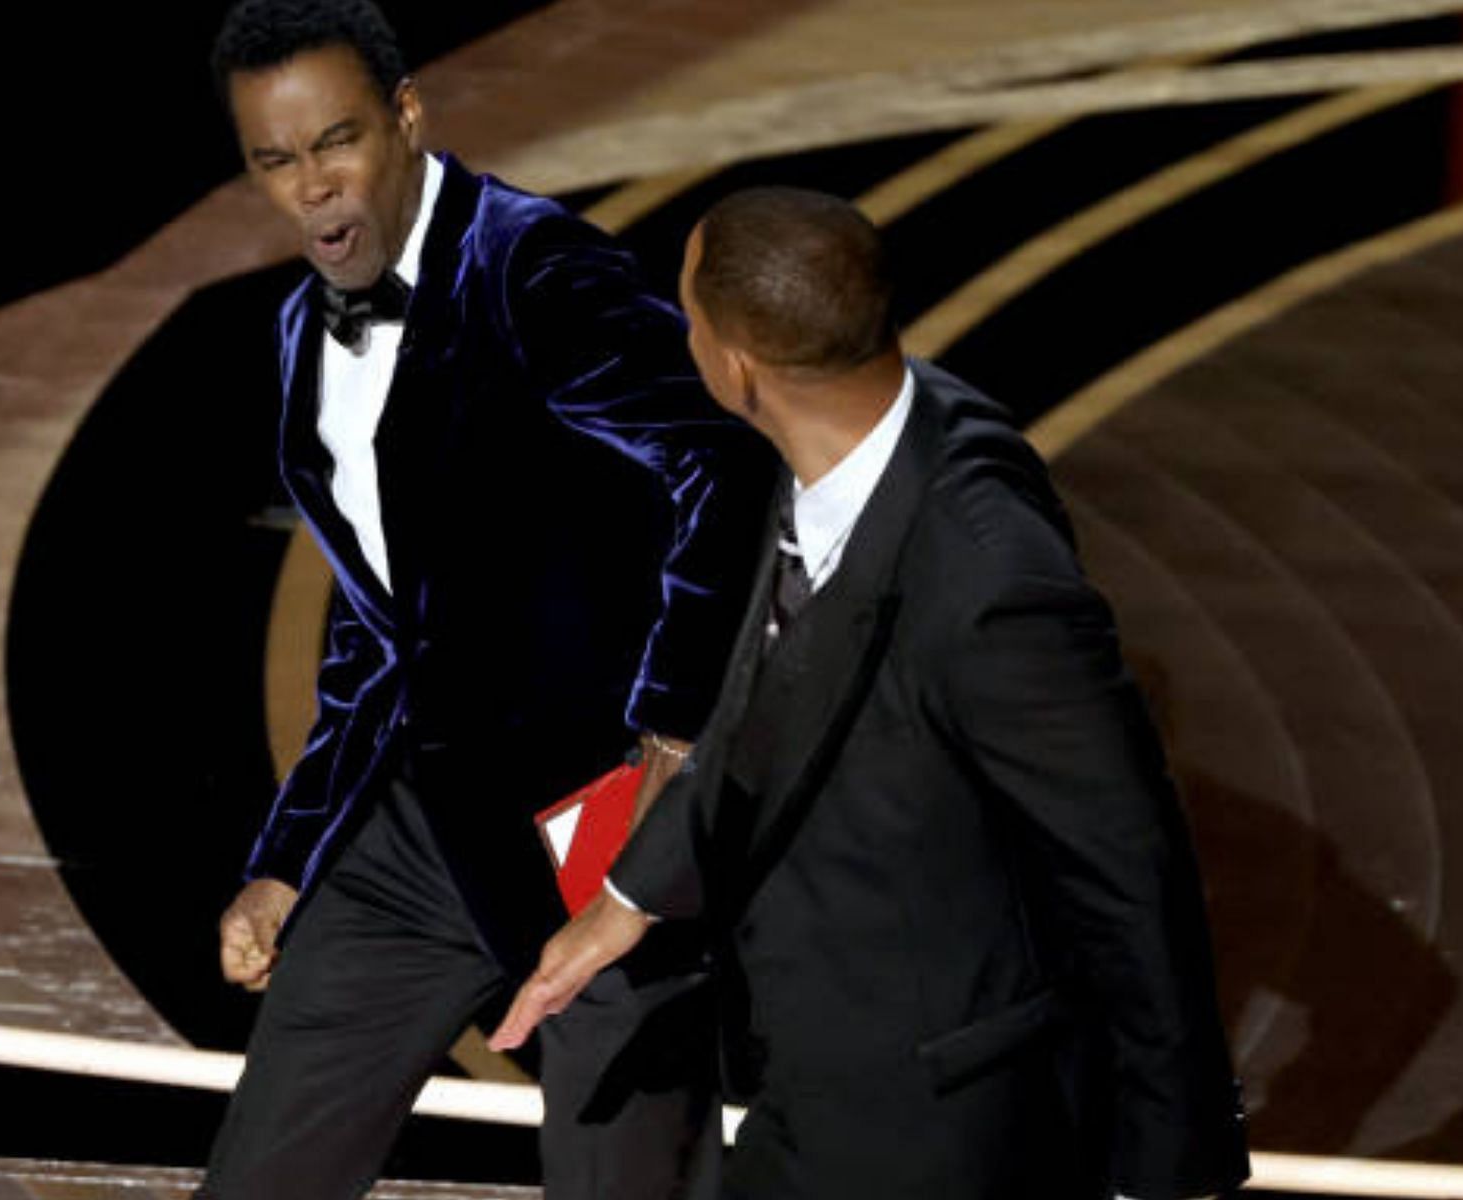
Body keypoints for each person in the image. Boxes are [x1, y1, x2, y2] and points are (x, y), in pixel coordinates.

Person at [492, 187, 1251, 1200]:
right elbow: (773, 696)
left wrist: (1166, 1165)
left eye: (690, 317)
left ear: (736, 368)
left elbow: (1125, 862)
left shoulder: (992, 585)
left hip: (930, 1117)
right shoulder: (866, 431)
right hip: (815, 1060)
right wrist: (632, 892)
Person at [196, 3, 773, 1198]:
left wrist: (669, 735)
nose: (309, 188)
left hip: (592, 833)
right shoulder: (305, 323)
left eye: (336, 143)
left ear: (407, 116)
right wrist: (290, 858)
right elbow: (381, 617)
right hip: (420, 829)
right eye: (274, 160)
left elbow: (729, 458)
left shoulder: (532, 266)